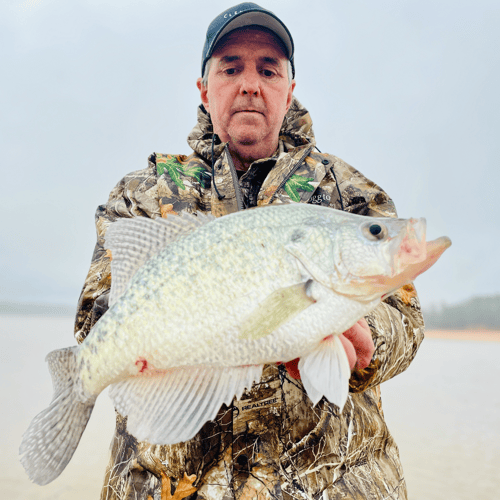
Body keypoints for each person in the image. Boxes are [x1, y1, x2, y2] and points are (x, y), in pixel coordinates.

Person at [75, 3, 424, 499]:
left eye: (268, 69)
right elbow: (96, 319)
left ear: (289, 88)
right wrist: (163, 351)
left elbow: (407, 319)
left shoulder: (349, 196)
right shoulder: (143, 194)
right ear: (204, 88)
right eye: (231, 67)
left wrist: (372, 341)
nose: (250, 84)